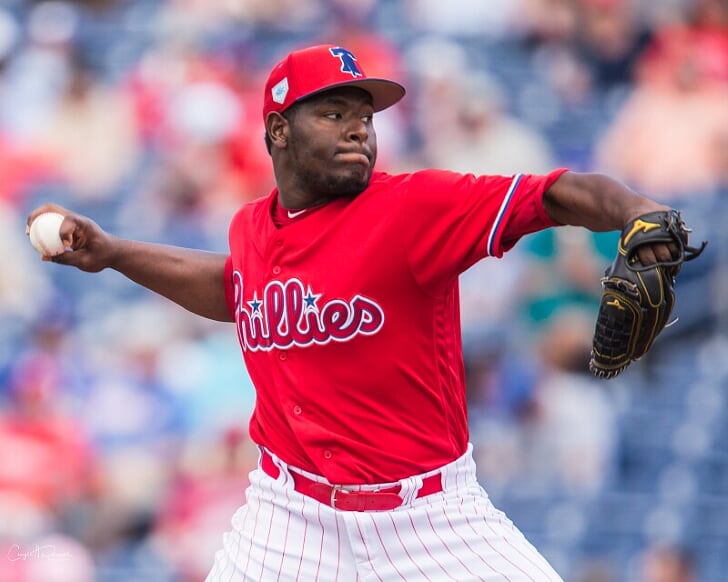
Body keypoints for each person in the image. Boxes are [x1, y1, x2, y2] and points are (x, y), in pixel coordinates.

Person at [27, 44, 687, 581]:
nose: (357, 128)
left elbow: (559, 193)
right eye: (333, 113)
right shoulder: (253, 227)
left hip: (430, 519)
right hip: (287, 516)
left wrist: (639, 216)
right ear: (278, 130)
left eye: (363, 116)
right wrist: (114, 253)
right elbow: (236, 289)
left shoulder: (413, 208)